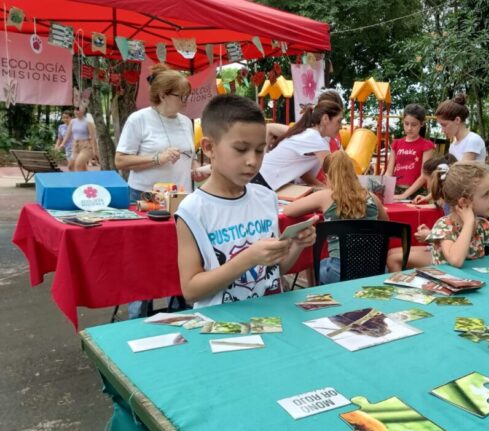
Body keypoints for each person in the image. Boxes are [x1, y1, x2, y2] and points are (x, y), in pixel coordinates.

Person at [176, 94, 316, 307]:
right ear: (209, 147)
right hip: (221, 322)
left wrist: (297, 245)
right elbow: (191, 290)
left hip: (270, 317)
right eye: (241, 149)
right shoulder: (193, 209)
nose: (253, 161)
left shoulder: (266, 197)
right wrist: (248, 259)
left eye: (260, 150)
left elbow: (275, 271)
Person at [283, 151, 388, 284]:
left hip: (338, 271)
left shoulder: (325, 196)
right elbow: (387, 226)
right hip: (376, 269)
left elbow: (288, 210)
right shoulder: (372, 197)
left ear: (327, 176)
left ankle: (315, 292)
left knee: (314, 264)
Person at [115, 63, 208, 203]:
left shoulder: (186, 122)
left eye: (187, 96)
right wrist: (157, 158)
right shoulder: (138, 119)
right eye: (181, 96)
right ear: (163, 96)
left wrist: (196, 169)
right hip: (146, 196)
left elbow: (189, 157)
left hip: (181, 196)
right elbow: (120, 161)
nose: (186, 101)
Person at [387, 155, 456, 272]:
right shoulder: (448, 200)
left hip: (448, 252)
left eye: (427, 181)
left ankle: (402, 283)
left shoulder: (453, 205)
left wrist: (430, 235)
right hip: (444, 247)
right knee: (391, 252)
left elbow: (455, 235)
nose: (427, 186)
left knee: (392, 259)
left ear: (436, 179)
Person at [254, 100, 342, 190]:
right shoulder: (315, 139)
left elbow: (303, 172)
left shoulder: (308, 133)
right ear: (325, 119)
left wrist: (323, 187)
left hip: (261, 176)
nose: (341, 126)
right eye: (339, 121)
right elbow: (333, 172)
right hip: (262, 179)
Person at [386, 103, 435, 200]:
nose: (409, 128)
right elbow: (389, 172)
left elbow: (424, 175)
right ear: (403, 122)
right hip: (396, 190)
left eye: (414, 124)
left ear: (421, 124)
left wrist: (403, 195)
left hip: (417, 192)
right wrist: (383, 188)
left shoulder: (427, 145)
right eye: (406, 123)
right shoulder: (396, 143)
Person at [435, 94, 487, 164]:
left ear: (457, 120)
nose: (442, 130)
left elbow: (461, 169)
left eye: (444, 125)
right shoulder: (453, 145)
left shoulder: (473, 140)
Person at [60, 106, 97, 172]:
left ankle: (80, 179)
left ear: (83, 110)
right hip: (75, 147)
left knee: (78, 165)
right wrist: (62, 144)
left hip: (86, 147)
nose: (76, 111)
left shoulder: (88, 122)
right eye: (75, 110)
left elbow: (93, 137)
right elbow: (68, 134)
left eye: (78, 110)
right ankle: (84, 178)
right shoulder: (72, 121)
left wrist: (94, 150)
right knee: (71, 166)